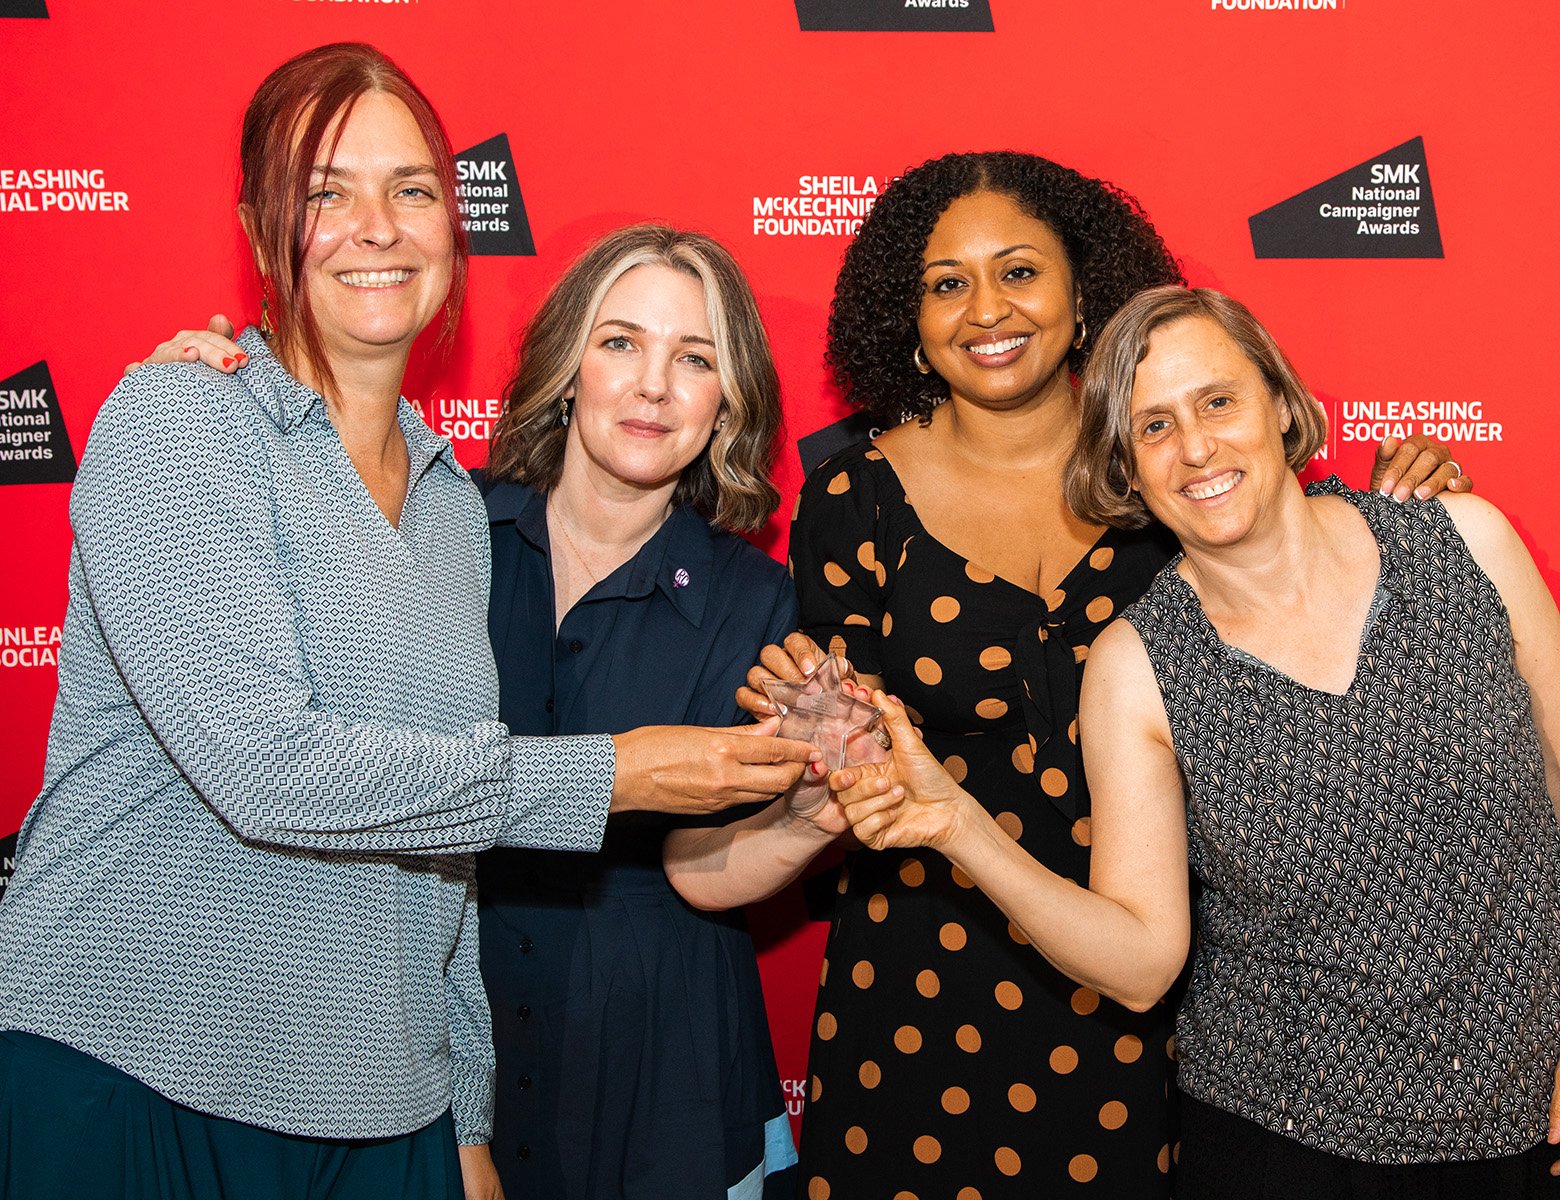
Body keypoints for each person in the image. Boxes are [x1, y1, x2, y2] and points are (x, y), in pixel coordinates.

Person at [0, 44, 815, 1200]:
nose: (377, 226)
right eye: (327, 191)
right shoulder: (187, 418)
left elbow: (442, 853)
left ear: (455, 226)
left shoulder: (448, 509)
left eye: (414, 190)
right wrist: (613, 775)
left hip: (382, 1109)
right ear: (259, 226)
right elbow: (267, 767)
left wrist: (467, 1110)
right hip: (137, 1072)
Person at [830, 285, 1560, 1198]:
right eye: (1153, 427)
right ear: (1125, 469)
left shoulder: (1466, 540)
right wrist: (957, 824)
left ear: (1279, 402)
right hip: (1295, 1152)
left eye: (1217, 402)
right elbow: (1144, 963)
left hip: (1556, 1113)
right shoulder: (1135, 668)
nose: (1194, 448)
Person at [743, 151, 1470, 1198]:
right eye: (948, 282)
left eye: (1019, 271)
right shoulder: (852, 496)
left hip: (1141, 983)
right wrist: (815, 730)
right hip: (913, 991)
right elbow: (844, 752)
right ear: (908, 315)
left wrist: (1405, 500)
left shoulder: (1164, 467)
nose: (986, 308)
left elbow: (1299, 552)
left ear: (1085, 292)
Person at [473, 224, 851, 1200]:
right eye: (620, 343)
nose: (653, 386)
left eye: (695, 359)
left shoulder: (754, 600)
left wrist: (818, 810)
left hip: (664, 1081)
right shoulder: (444, 535)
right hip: (447, 1060)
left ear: (726, 402)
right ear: (567, 368)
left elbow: (702, 869)